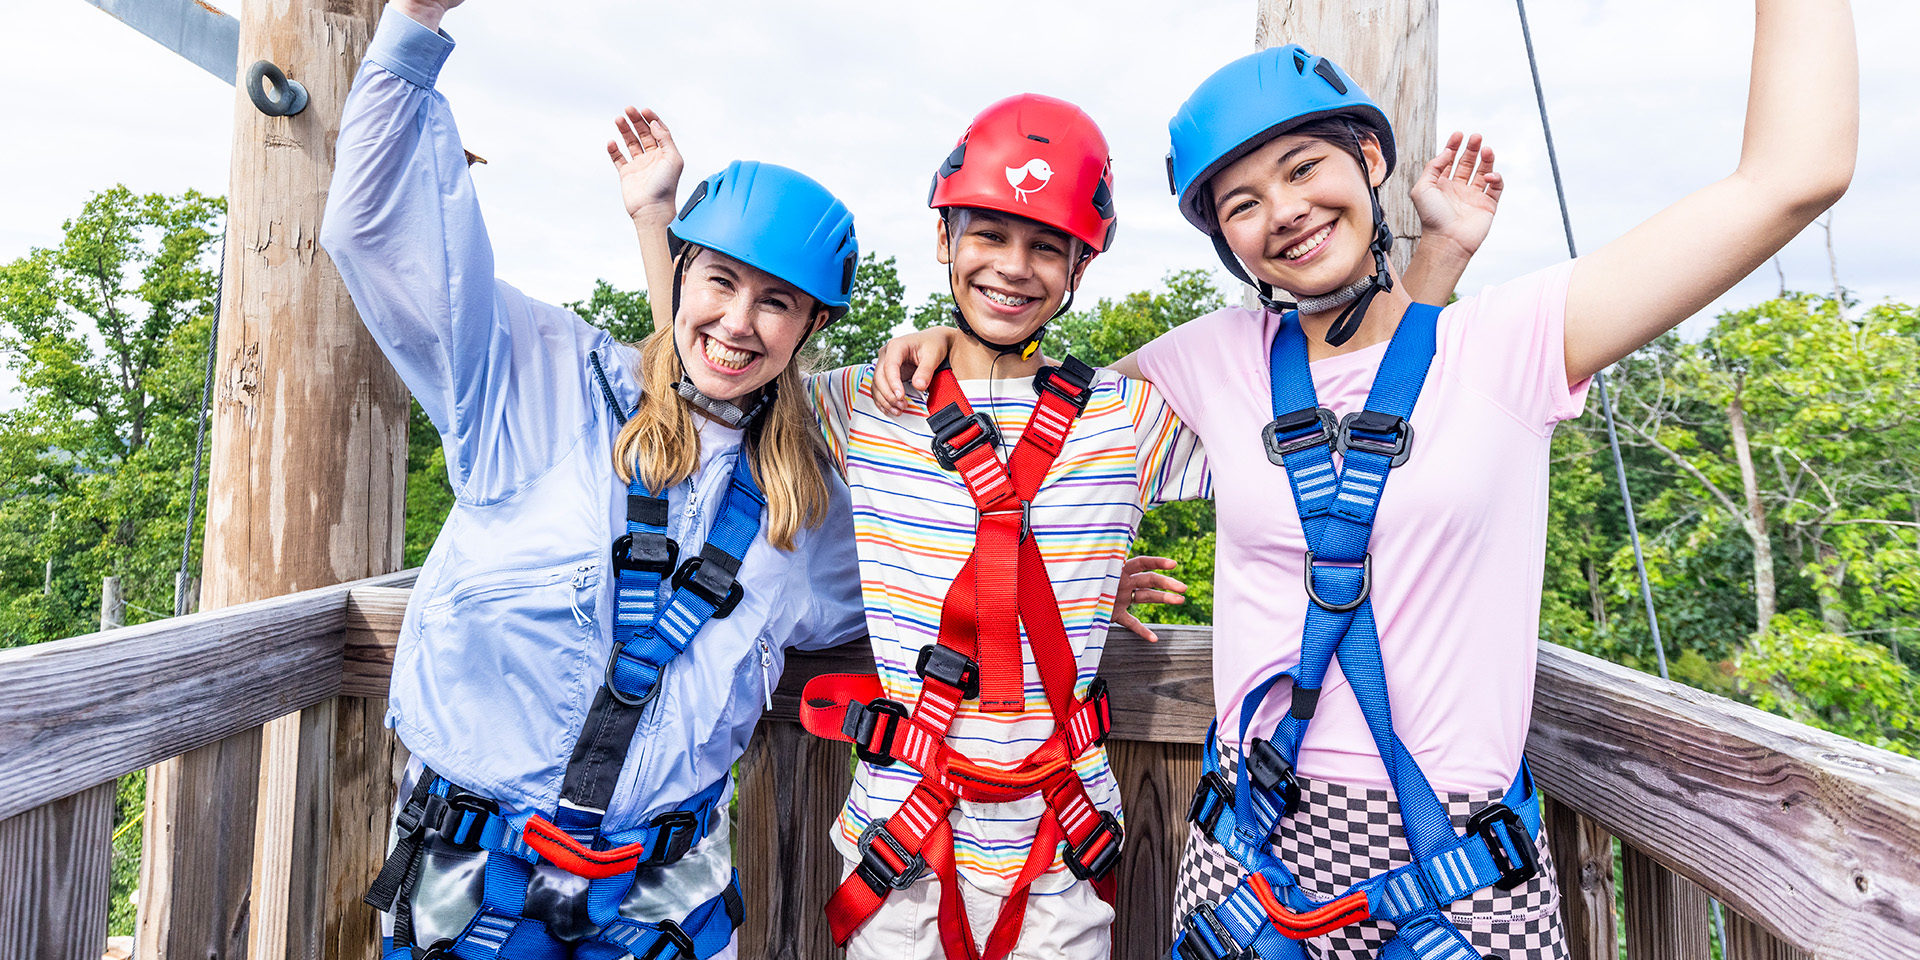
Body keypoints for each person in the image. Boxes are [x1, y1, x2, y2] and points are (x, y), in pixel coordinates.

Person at [891, 3, 1856, 957]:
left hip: (1460, 856)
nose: (1287, 213)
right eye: (1243, 204)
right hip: (1250, 848)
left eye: (1304, 168)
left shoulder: (1509, 344)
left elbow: (1791, 177)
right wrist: (951, 345)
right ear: (1228, 244)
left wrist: (1439, 262)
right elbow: (1036, 431)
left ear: (1371, 162)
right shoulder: (1213, 360)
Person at [627, 87, 1501, 956]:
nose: (1014, 267)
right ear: (944, 240)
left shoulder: (1127, 419)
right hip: (901, 844)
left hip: (1058, 847)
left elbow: (1339, 440)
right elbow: (714, 369)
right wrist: (655, 224)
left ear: (1080, 271)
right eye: (991, 237)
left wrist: (1435, 269)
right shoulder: (867, 403)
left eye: (1046, 248)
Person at [319, 2, 874, 957]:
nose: (741, 323)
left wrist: (1070, 588)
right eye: (721, 284)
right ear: (680, 274)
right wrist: (410, 28)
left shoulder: (806, 509)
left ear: (809, 332)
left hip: (662, 903)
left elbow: (925, 582)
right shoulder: (538, 388)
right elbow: (373, 235)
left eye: (777, 303)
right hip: (474, 888)